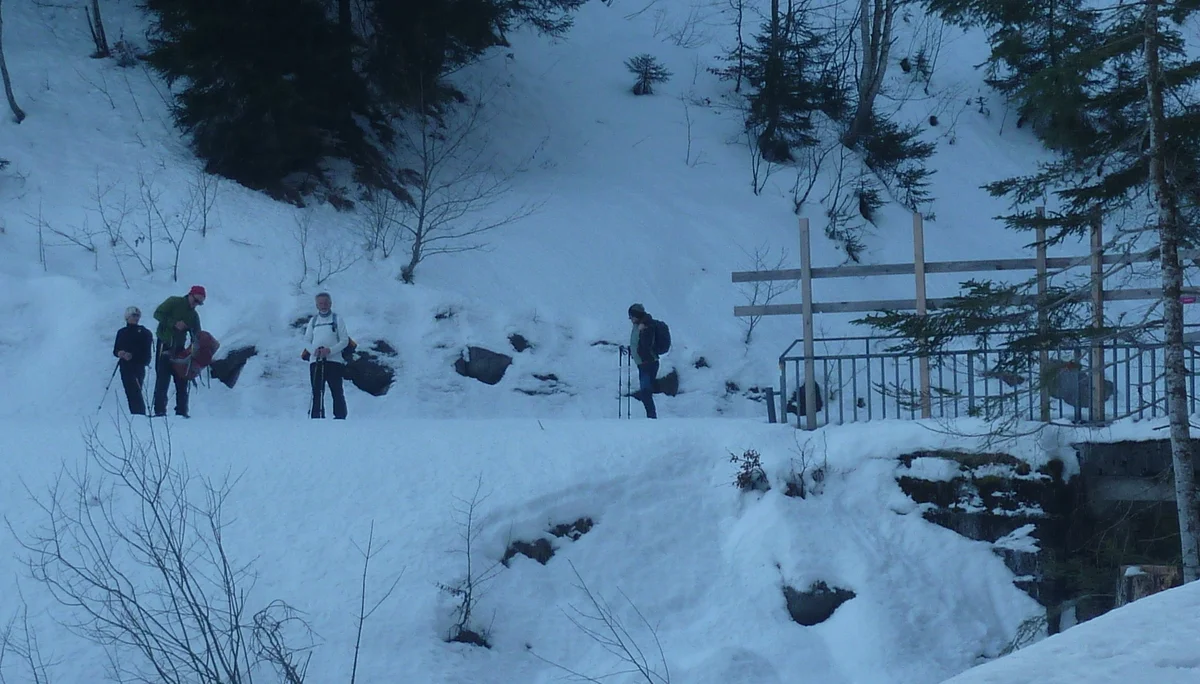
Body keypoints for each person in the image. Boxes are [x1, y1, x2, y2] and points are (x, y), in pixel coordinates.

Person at [152, 285, 205, 418]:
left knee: (182, 380)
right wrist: (173, 323)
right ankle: (159, 412)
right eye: (196, 301)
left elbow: (197, 334)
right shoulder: (174, 301)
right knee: (162, 380)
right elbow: (157, 313)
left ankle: (182, 412)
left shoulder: (193, 315)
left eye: (199, 303)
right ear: (190, 295)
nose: (196, 305)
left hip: (180, 349)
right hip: (165, 345)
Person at [303, 292, 349, 419]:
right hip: (316, 361)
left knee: (337, 391)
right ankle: (317, 418)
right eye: (320, 303)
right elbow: (306, 340)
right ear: (317, 305)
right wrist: (314, 351)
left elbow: (344, 340)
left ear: (330, 303)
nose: (323, 306)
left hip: (334, 362)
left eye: (326, 303)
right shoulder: (313, 321)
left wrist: (330, 350)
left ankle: (340, 417)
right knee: (317, 391)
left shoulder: (337, 319)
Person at [112, 306, 153, 415]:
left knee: (135, 390)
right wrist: (120, 353)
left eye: (137, 316)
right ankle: (136, 414)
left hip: (137, 366)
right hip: (125, 366)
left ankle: (139, 414)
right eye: (133, 316)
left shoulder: (144, 332)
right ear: (127, 317)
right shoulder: (121, 332)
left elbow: (146, 353)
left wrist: (132, 356)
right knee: (130, 391)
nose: (136, 318)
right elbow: (115, 350)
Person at [627, 303, 659, 419]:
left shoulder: (647, 325)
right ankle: (651, 417)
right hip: (643, 363)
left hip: (648, 363)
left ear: (636, 315)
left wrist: (644, 331)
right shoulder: (638, 325)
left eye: (631, 316)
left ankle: (651, 417)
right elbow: (637, 342)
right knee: (645, 391)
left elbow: (646, 344)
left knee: (645, 391)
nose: (630, 319)